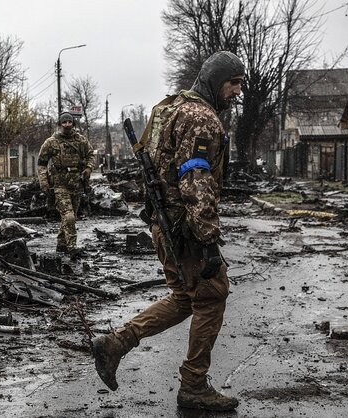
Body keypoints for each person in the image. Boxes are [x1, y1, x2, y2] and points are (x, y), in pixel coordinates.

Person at [91, 51, 245, 411]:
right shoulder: (202, 118)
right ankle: (193, 385)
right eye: (233, 82)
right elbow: (196, 178)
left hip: (163, 223)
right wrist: (207, 240)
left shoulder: (167, 108)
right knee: (212, 295)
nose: (237, 91)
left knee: (183, 298)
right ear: (215, 80)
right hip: (186, 227)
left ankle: (116, 343)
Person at [37, 112, 95, 257]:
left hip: (76, 184)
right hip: (59, 184)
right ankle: (72, 247)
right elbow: (41, 163)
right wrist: (44, 182)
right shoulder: (51, 142)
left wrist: (88, 168)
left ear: (73, 124)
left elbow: (90, 155)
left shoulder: (81, 140)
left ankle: (61, 244)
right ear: (60, 124)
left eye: (70, 122)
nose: (67, 125)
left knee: (70, 216)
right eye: (64, 122)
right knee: (69, 217)